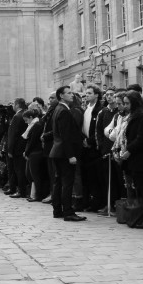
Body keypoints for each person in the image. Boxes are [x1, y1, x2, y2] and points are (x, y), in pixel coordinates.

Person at [50, 86, 87, 222]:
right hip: (64, 153)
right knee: (67, 183)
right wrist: (71, 155)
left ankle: (57, 210)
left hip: (57, 151)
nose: (72, 95)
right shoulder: (63, 110)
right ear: (61, 96)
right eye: (69, 93)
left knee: (59, 182)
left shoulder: (58, 109)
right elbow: (66, 136)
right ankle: (68, 212)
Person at [121, 91, 143, 228]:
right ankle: (142, 215)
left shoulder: (142, 116)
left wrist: (129, 150)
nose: (125, 106)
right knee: (140, 189)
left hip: (141, 158)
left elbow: (142, 138)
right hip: (135, 158)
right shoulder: (135, 115)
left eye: (127, 103)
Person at [95, 87, 119, 214]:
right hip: (106, 150)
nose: (109, 97)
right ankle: (108, 203)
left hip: (117, 149)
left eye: (111, 95)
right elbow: (98, 131)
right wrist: (101, 146)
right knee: (107, 179)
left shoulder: (119, 112)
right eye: (107, 95)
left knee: (117, 179)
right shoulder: (102, 112)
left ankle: (117, 204)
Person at [80, 84, 103, 211]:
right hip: (85, 146)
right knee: (87, 177)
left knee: (95, 177)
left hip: (94, 147)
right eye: (86, 93)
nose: (87, 95)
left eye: (89, 93)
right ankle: (86, 201)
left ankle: (97, 203)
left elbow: (98, 129)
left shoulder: (99, 109)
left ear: (96, 95)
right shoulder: (86, 108)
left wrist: (90, 141)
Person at [23, 108, 48, 202]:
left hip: (36, 152)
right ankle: (34, 194)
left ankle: (38, 195)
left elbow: (33, 141)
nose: (26, 123)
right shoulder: (34, 124)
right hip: (33, 152)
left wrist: (27, 152)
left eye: (26, 120)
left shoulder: (37, 124)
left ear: (30, 117)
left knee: (35, 175)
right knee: (30, 174)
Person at [6, 98, 29, 198]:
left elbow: (12, 135)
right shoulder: (25, 114)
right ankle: (20, 189)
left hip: (17, 148)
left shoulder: (17, 116)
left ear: (17, 105)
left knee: (18, 170)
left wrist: (10, 149)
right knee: (21, 170)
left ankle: (21, 191)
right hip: (24, 147)